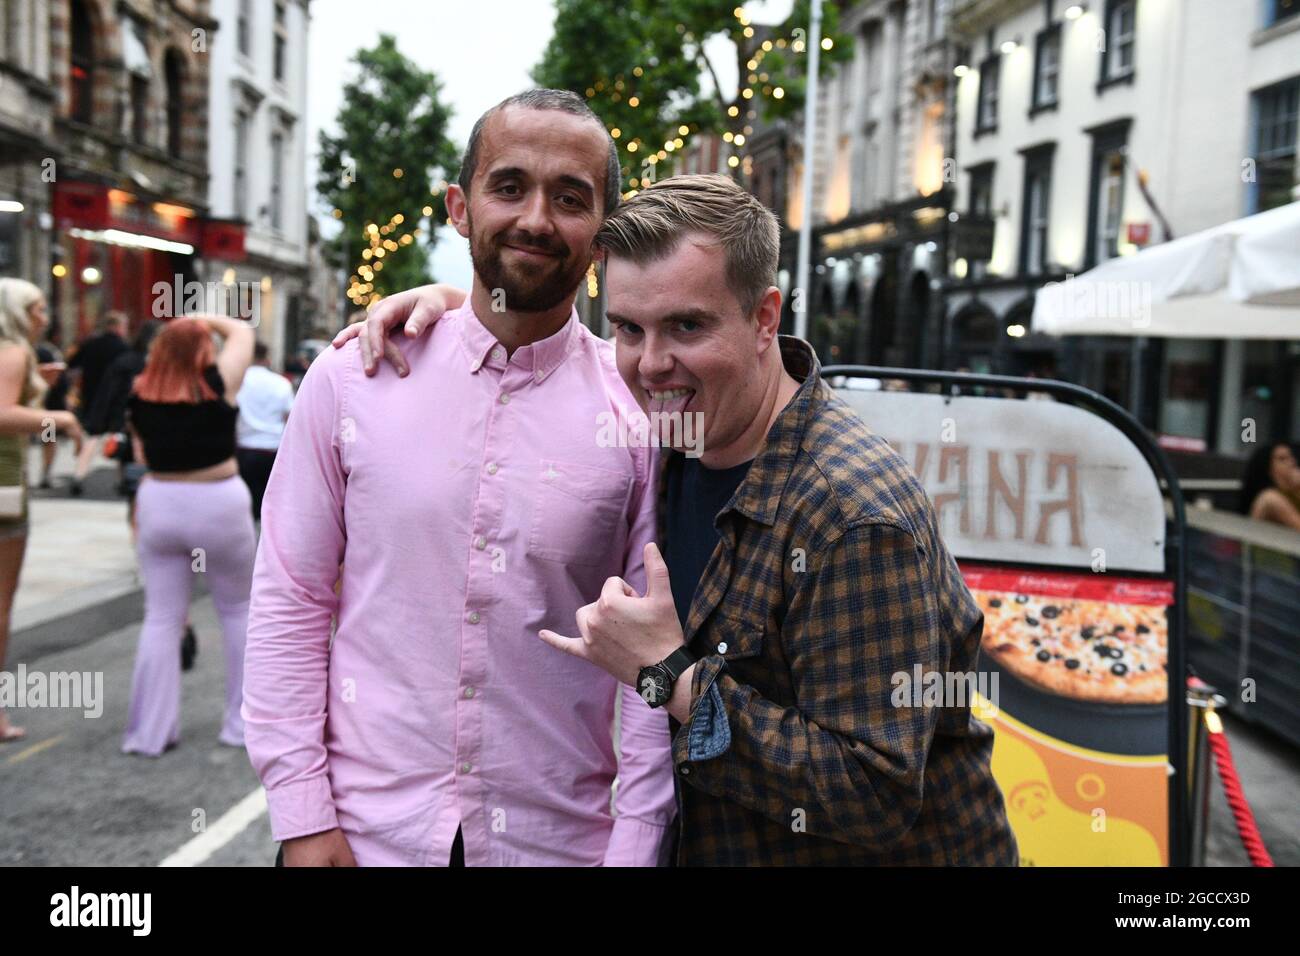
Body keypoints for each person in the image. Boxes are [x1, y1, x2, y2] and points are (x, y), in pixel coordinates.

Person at [346, 174, 1019, 865]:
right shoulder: (675, 442)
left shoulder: (852, 513)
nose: (651, 364)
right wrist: (457, 311)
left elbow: (873, 794)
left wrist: (670, 677)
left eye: (687, 326)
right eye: (629, 329)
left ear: (764, 319)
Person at [243, 89, 675, 868]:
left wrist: (636, 848)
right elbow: (290, 597)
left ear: (604, 233)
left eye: (570, 198)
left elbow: (654, 661)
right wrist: (301, 815)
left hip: (556, 844)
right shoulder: (354, 378)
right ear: (460, 207)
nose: (537, 219)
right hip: (358, 837)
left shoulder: (639, 418)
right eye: (509, 186)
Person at [122, 314, 256, 756]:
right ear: (204, 352)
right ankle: (240, 724)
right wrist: (201, 320)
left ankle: (151, 733)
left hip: (161, 500)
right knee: (237, 611)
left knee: (161, 618)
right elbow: (243, 332)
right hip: (218, 500)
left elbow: (141, 452)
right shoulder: (217, 384)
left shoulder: (140, 394)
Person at [0, 279, 84, 741]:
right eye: (35, 309)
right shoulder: (13, 351)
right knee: (1, 606)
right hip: (5, 490)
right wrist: (61, 419)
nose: (44, 317)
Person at [67, 311, 129, 495]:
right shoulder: (123, 347)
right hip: (116, 398)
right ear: (118, 327)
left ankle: (79, 475)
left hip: (92, 397)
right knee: (118, 436)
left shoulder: (90, 344)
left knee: (92, 436)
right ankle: (121, 480)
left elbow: (72, 364)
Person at [234, 341, 294, 522]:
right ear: (266, 358)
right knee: (270, 507)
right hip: (272, 450)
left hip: (244, 449)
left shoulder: (238, 381)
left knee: (246, 507)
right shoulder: (281, 383)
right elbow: (289, 417)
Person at [1239, 441, 1300, 531]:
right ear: (1268, 469)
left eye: (1291, 457)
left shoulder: (1290, 493)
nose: (1292, 462)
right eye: (1282, 459)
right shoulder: (1270, 498)